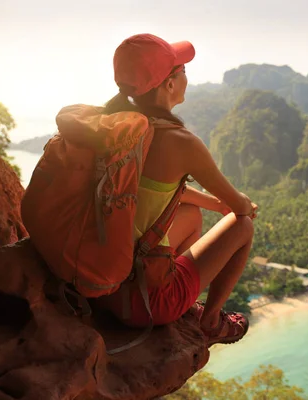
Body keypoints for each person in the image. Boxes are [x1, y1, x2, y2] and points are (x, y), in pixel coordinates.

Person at [97, 33, 257, 347]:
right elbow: (239, 209)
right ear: (169, 84)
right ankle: (210, 321)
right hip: (144, 303)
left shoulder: (116, 125)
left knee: (192, 213)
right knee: (244, 226)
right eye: (182, 70)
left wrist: (214, 204)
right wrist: (241, 204)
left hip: (101, 286)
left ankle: (182, 299)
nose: (186, 76)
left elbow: (158, 190)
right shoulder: (181, 142)